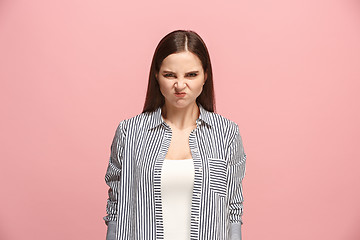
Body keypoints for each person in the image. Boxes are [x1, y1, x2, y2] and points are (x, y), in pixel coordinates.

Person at [103, 29, 247, 240]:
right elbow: (116, 206)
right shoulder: (129, 133)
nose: (180, 85)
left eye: (191, 75)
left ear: (205, 75)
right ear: (156, 75)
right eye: (170, 75)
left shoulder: (226, 134)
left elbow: (233, 209)